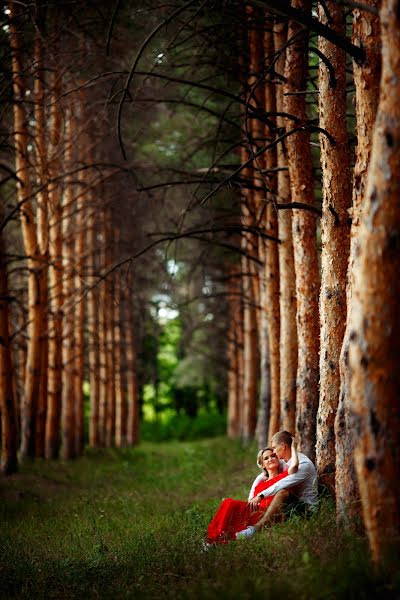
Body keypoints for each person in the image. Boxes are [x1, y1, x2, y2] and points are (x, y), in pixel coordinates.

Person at [204, 442, 299, 547]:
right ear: (262, 465)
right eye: (266, 458)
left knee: (229, 503)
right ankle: (215, 539)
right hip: (255, 511)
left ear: (278, 459)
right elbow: (252, 502)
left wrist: (293, 447)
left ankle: (217, 540)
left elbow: (294, 466)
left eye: (273, 456)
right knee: (228, 503)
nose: (271, 459)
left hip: (268, 513)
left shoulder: (284, 476)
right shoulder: (260, 484)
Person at [236, 430, 318, 539]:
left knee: (282, 492)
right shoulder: (285, 461)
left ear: (283, 446)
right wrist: (251, 497)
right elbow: (263, 475)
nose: (273, 452)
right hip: (291, 504)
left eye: (274, 448)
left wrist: (260, 496)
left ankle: (255, 530)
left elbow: (280, 484)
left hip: (306, 510)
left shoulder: (304, 464)